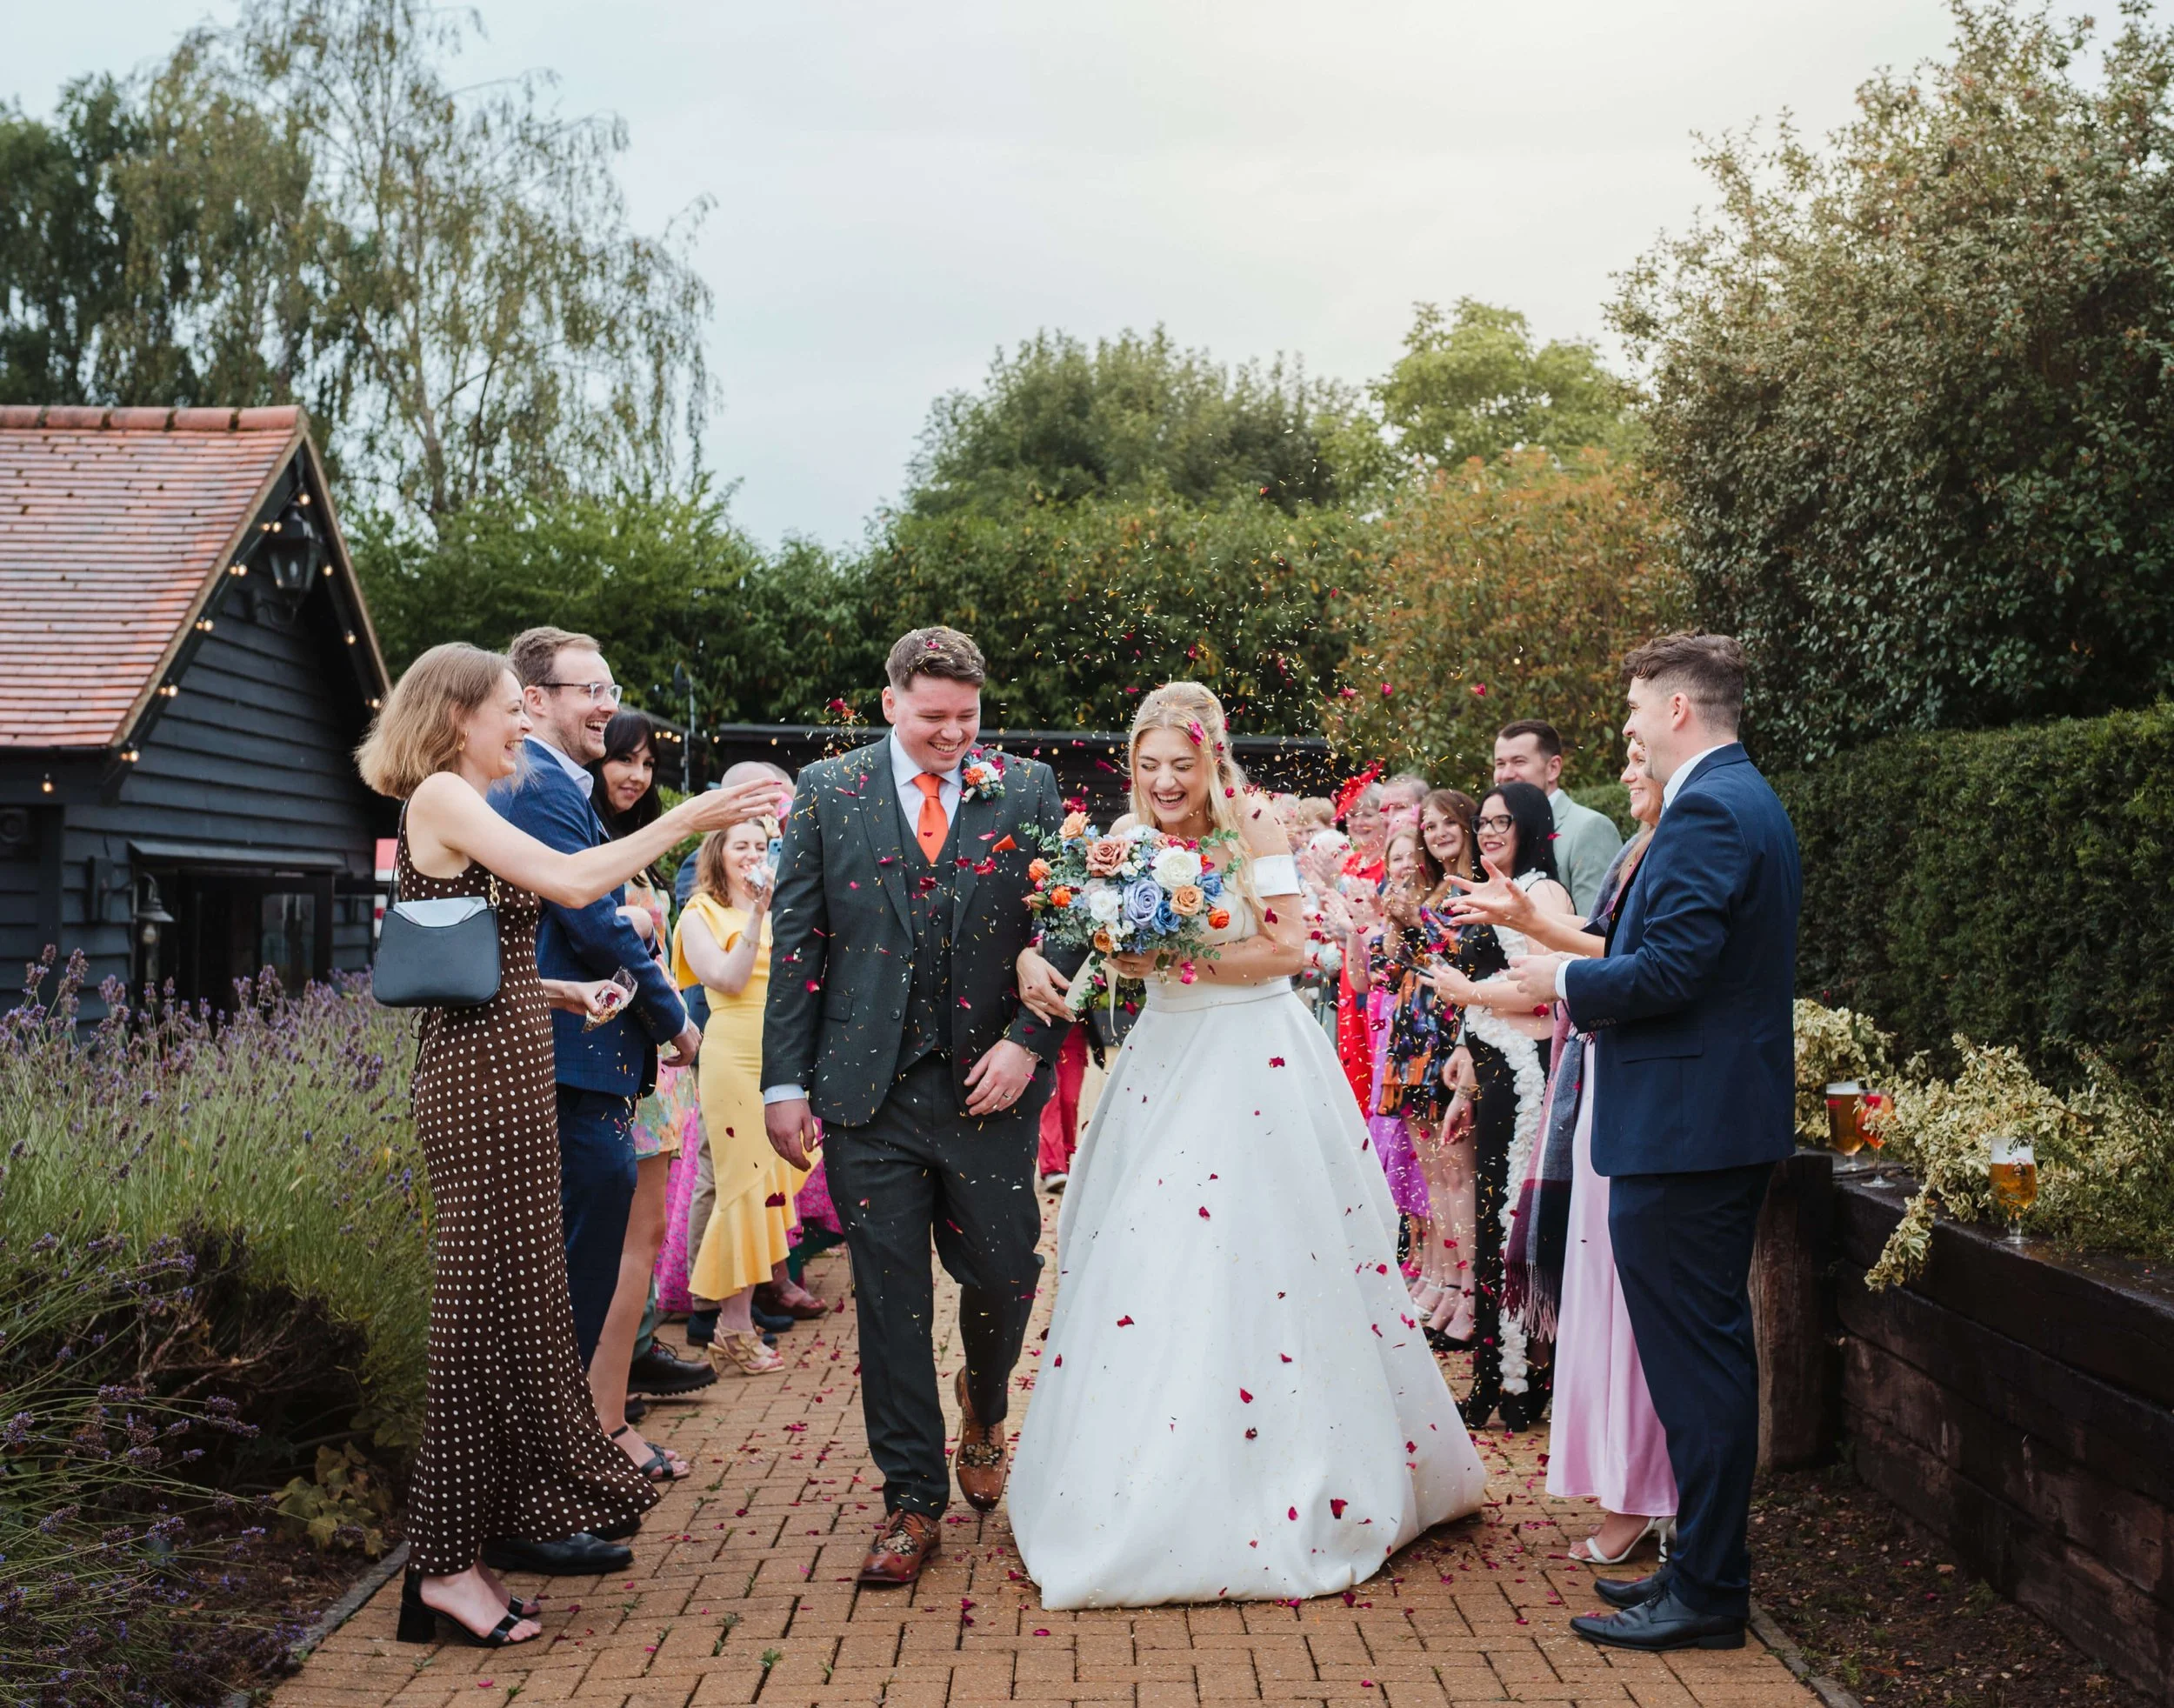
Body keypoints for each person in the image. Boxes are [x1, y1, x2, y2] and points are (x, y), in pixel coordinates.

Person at [1006, 682, 1487, 1610]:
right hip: (1163, 1061)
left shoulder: (1254, 827)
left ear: (1212, 757)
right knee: (1147, 1252)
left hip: (1250, 1057)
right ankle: (1134, 1479)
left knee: (1257, 1252)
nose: (1164, 782)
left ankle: (1280, 1470)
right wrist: (1072, 953)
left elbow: (1289, 948)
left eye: (1180, 765)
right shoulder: (1124, 835)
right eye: (1149, 765)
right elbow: (1091, 934)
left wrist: (1173, 956)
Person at [354, 644, 771, 1645]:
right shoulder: (443, 794)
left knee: (510, 1314)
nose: (520, 724)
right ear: (456, 716)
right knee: (476, 1324)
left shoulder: (464, 801)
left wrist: (560, 989)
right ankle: (441, 1568)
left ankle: (486, 1534)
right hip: (479, 1084)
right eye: (507, 708)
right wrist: (688, 819)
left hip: (504, 1063)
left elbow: (469, 949)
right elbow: (575, 880)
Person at [760, 626, 1084, 1588]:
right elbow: (799, 943)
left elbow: (1070, 921)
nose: (952, 735)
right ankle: (910, 1498)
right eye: (933, 717)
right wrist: (784, 1082)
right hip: (867, 1092)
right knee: (890, 1298)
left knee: (1006, 1271)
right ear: (890, 701)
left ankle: (985, 1399)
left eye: (967, 718)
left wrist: (1029, 1043)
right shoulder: (828, 792)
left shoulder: (1025, 788)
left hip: (991, 1085)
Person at [1501, 632, 1800, 1653]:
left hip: (1686, 1131)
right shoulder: (1737, 796)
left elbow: (1669, 970)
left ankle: (1709, 1589)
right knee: (1696, 1359)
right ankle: (1697, 1562)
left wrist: (1560, 978)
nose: (1626, 725)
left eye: (1634, 708)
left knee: (1698, 1366)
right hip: (1697, 1123)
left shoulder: (1710, 807)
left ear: (1676, 708)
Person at [1453, 744, 1677, 1566]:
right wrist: (1529, 929)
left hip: (1612, 1088)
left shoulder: (1679, 845)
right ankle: (1624, 1482)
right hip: (1592, 1089)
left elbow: (1630, 968)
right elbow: (1598, 944)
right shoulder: (1634, 851)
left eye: (1640, 761)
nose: (1626, 776)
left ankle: (1645, 1492)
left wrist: (1514, 971)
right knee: (1597, 1293)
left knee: (1626, 1305)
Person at [488, 630, 704, 1395]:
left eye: (611, 690)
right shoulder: (540, 787)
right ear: (536, 699)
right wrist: (675, 1021)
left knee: (583, 1262)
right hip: (571, 1060)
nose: (608, 706)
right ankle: (562, 1441)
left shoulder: (555, 785)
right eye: (592, 690)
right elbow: (592, 925)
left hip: (579, 1054)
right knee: (574, 1271)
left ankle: (576, 1431)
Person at [585, 711, 710, 1484]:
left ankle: (612, 1402)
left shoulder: (634, 850)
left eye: (645, 764)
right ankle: (604, 1421)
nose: (634, 775)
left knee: (646, 1234)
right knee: (626, 1242)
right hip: (617, 1058)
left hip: (653, 1065)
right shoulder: (584, 842)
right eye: (620, 760)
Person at [1425, 779, 1573, 1427]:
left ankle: (1522, 1376)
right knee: (1492, 1228)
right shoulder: (1493, 890)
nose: (1487, 832)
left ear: (1531, 826)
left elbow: (1546, 993)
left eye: (1501, 822)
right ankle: (1496, 1374)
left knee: (1515, 1227)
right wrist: (1464, 1086)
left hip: (1528, 1080)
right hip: (1492, 1076)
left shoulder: (1543, 893)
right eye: (1482, 822)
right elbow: (1487, 992)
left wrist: (1467, 995)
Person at [674, 816, 824, 1377]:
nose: (752, 855)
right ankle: (731, 1325)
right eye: (741, 845)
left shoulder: (782, 911)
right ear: (718, 852)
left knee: (766, 1190)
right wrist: (760, 913)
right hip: (733, 1057)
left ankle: (737, 1320)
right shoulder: (700, 913)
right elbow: (728, 981)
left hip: (780, 1058)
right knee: (741, 1188)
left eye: (761, 846)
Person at [1494, 720, 1624, 916]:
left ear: (1553, 768)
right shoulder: (1496, 831)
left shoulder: (1590, 828)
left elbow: (1595, 923)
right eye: (1500, 764)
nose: (1506, 774)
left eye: (1519, 762)